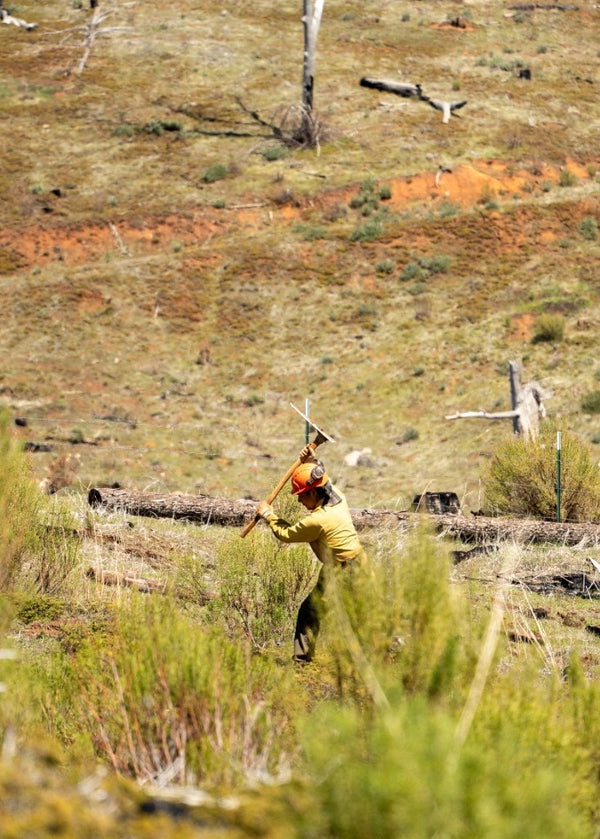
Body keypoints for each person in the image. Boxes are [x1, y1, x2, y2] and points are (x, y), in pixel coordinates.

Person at [257, 448, 367, 664]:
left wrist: (269, 516)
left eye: (301, 496)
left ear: (313, 493)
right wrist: (311, 461)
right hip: (352, 565)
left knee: (351, 619)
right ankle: (304, 660)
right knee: (314, 613)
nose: (299, 502)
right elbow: (323, 479)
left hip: (345, 572)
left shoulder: (318, 520)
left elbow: (286, 534)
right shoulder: (338, 498)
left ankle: (363, 664)